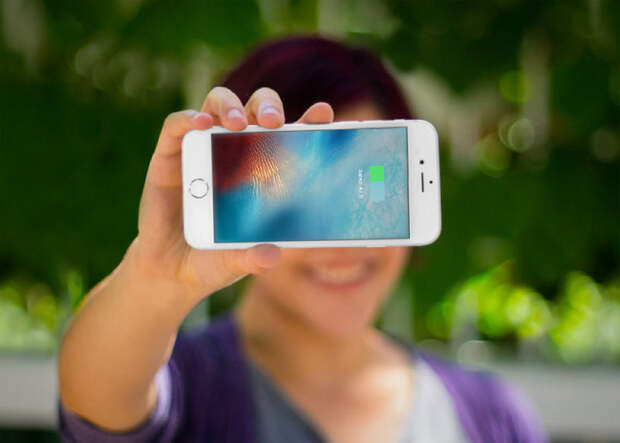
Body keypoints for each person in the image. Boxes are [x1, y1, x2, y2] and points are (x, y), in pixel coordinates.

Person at [57, 36, 547, 443]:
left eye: (358, 192)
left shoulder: (492, 417)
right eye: (300, 193)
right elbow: (95, 397)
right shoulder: (187, 384)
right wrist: (155, 274)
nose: (340, 248)